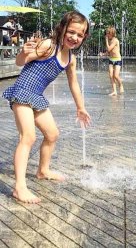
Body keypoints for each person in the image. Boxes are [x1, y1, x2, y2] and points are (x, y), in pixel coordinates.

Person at [2, 11, 91, 204]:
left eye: (80, 34)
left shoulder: (70, 59)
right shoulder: (49, 46)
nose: (74, 37)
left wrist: (80, 107)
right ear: (63, 28)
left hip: (36, 97)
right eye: (71, 32)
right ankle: (19, 187)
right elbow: (20, 62)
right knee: (29, 136)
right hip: (22, 92)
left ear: (84, 37)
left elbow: (74, 84)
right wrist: (24, 52)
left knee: (52, 134)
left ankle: (43, 170)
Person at [100, 26, 124, 96]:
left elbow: (109, 49)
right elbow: (109, 52)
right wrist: (103, 54)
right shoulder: (110, 40)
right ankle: (114, 91)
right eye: (107, 33)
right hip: (111, 59)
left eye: (108, 33)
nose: (107, 34)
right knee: (111, 76)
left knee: (116, 75)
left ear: (112, 33)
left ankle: (120, 85)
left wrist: (106, 41)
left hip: (117, 59)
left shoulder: (115, 40)